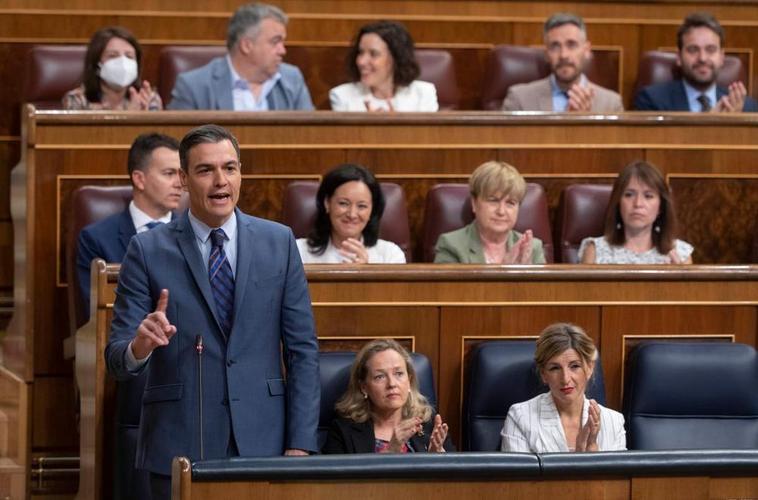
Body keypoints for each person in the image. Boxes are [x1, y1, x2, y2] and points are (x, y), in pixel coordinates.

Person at [104, 124, 320, 499]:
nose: (221, 181)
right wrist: (140, 346)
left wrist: (300, 444)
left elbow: (302, 351)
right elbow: (117, 359)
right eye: (205, 170)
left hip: (263, 441)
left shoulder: (278, 241)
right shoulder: (147, 249)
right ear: (185, 180)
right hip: (178, 442)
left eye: (230, 168)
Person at [76, 133, 182, 315]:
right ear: (139, 179)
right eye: (169, 173)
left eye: (181, 174)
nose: (179, 183)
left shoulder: (197, 233)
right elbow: (98, 314)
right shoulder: (96, 239)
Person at [500, 323, 626, 452]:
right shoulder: (521, 417)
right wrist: (580, 458)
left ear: (589, 368)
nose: (565, 379)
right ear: (543, 374)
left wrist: (593, 450)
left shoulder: (613, 422)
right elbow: (518, 472)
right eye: (555, 368)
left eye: (574, 366)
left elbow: (619, 472)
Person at [168, 3, 313, 111]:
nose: (283, 50)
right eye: (275, 42)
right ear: (246, 46)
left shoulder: (292, 79)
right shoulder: (194, 86)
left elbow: (310, 135)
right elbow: (178, 145)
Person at [322, 339, 453, 453]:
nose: (392, 384)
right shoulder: (343, 431)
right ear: (364, 387)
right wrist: (391, 450)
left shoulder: (430, 426)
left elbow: (458, 477)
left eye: (399, 373)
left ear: (409, 381)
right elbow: (336, 480)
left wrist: (437, 458)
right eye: (380, 376)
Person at [634, 12, 758, 112]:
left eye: (710, 50)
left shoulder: (747, 107)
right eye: (693, 50)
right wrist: (715, 123)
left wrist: (735, 125)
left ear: (721, 57)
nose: (702, 58)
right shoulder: (652, 101)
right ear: (679, 57)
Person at [502, 13, 623, 112]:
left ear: (586, 50)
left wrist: (584, 123)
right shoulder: (519, 99)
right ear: (546, 54)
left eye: (572, 45)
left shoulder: (611, 103)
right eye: (555, 46)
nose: (563, 55)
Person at [579, 160, 694, 264]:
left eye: (648, 196)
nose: (638, 203)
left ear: (660, 207)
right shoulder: (595, 251)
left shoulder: (680, 254)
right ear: (618, 202)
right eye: (629, 195)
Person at [434, 161, 546, 264]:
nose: (501, 211)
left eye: (510, 203)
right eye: (493, 201)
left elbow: (545, 286)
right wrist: (506, 271)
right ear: (474, 203)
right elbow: (448, 287)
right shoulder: (451, 245)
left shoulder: (532, 248)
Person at [296, 164, 406, 264]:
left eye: (362, 206)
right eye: (343, 203)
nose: (352, 214)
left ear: (372, 209)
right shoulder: (298, 251)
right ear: (327, 203)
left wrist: (368, 273)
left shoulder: (390, 255)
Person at [329, 20, 438, 112]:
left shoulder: (424, 94)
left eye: (374, 54)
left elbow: (430, 137)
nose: (361, 61)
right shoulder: (342, 96)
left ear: (396, 58)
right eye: (360, 52)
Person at [63, 26, 162, 111]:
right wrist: (129, 117)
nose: (123, 62)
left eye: (129, 56)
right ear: (97, 63)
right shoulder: (77, 99)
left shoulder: (148, 98)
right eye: (113, 56)